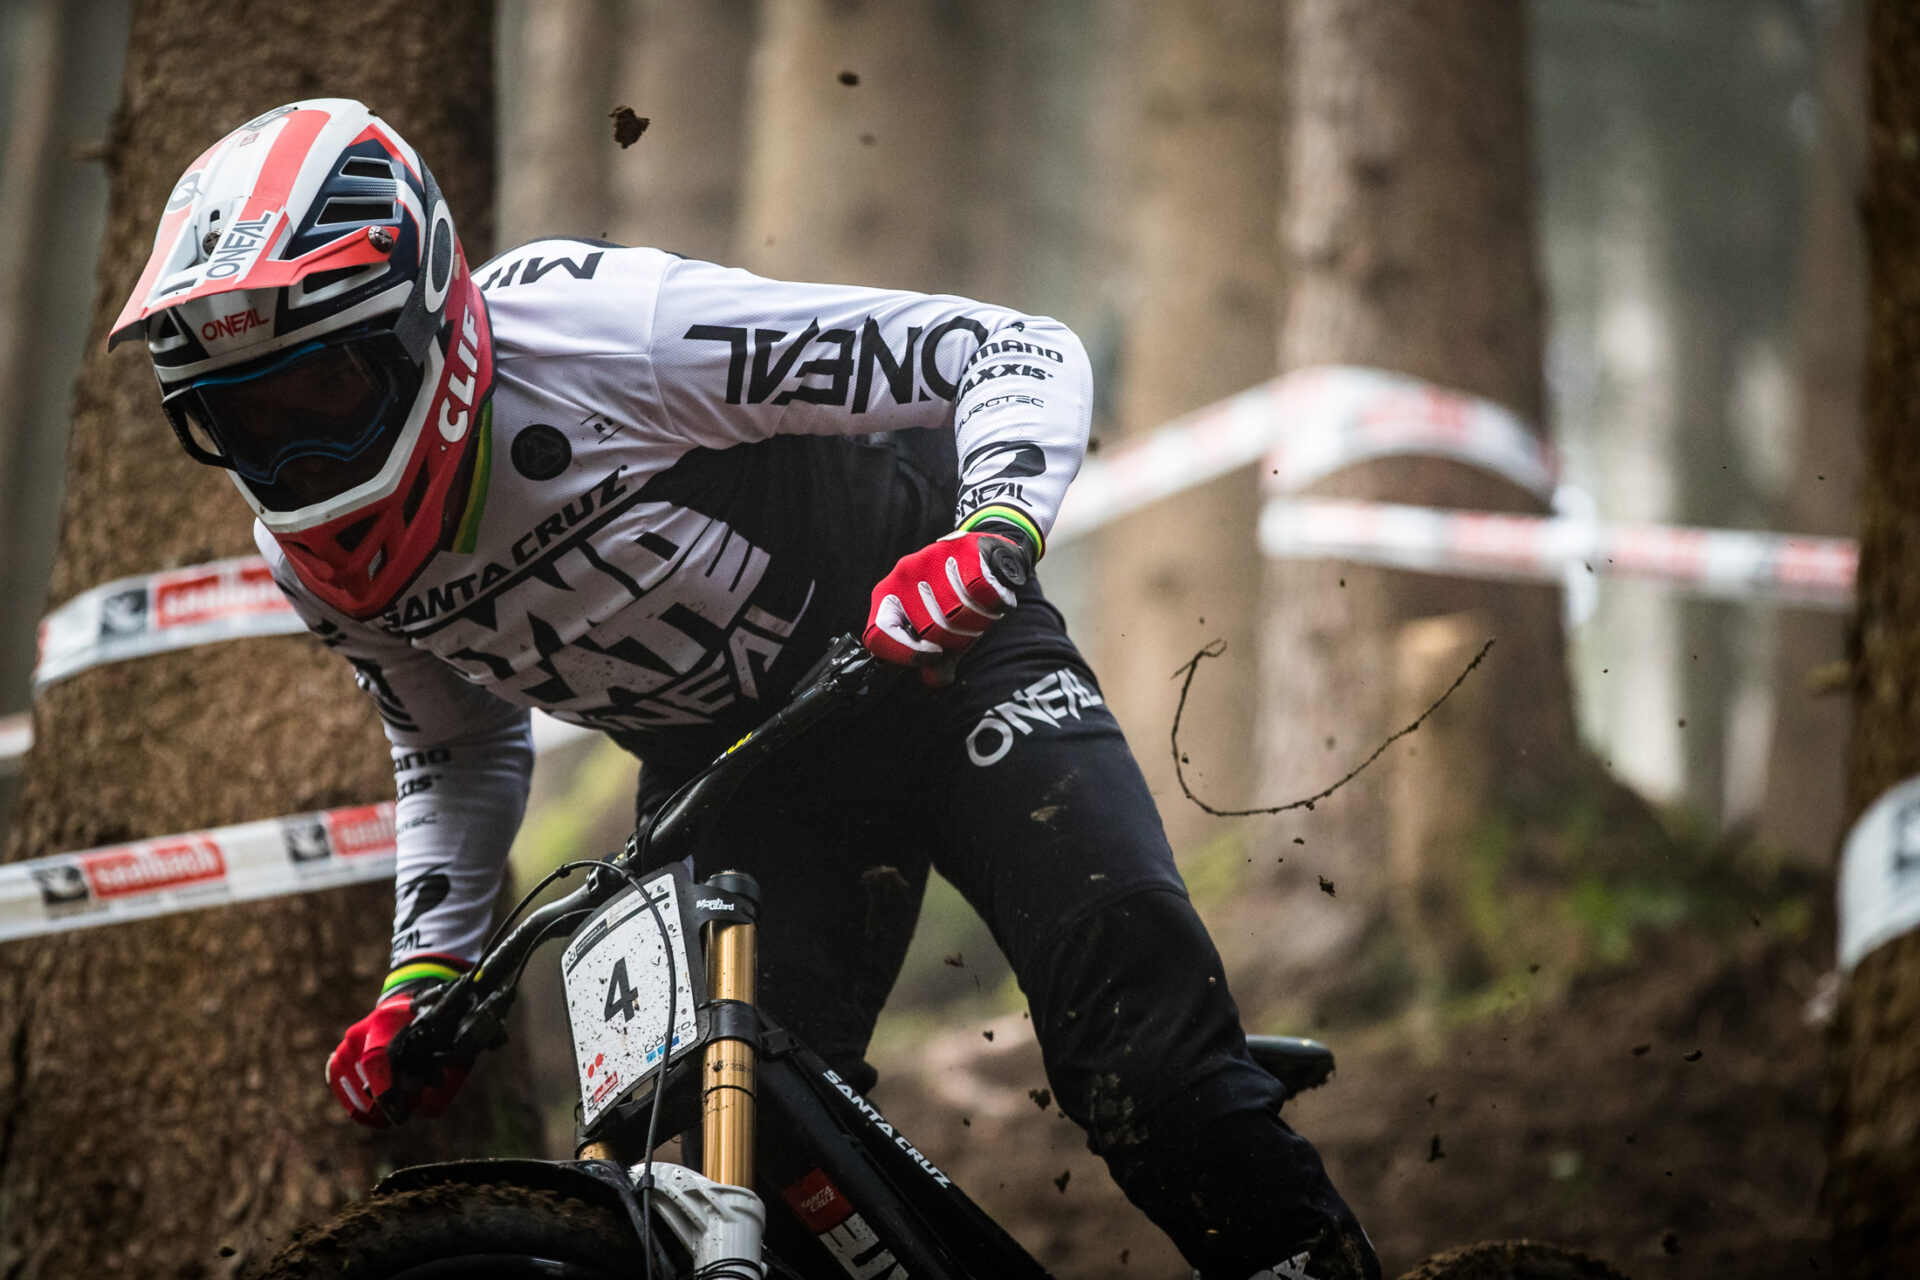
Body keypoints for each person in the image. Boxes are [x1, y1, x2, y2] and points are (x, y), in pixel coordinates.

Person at [111, 99, 1379, 1280]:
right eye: (248, 415)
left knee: (1151, 1081)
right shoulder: (307, 557)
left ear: (428, 318)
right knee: (720, 1167)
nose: (301, 450)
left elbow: (1008, 347)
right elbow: (452, 747)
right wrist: (425, 971)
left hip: (944, 669)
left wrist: (990, 534)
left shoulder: (606, 331)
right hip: (745, 781)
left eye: (326, 387)